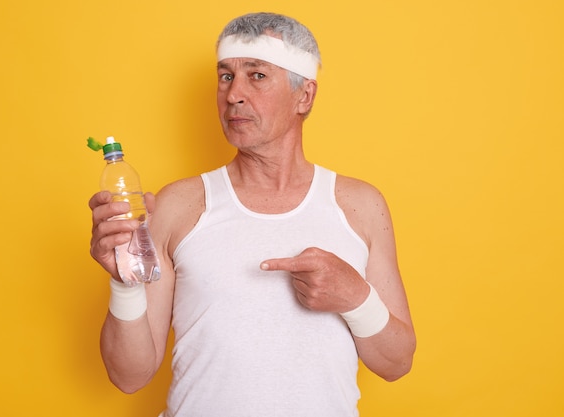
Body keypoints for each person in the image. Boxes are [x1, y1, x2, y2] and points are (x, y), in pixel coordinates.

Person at [89, 12, 416, 417]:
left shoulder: (359, 206)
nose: (233, 95)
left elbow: (397, 362)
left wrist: (355, 297)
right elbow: (129, 376)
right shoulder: (178, 206)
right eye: (225, 76)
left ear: (305, 96)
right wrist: (125, 285)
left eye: (257, 75)